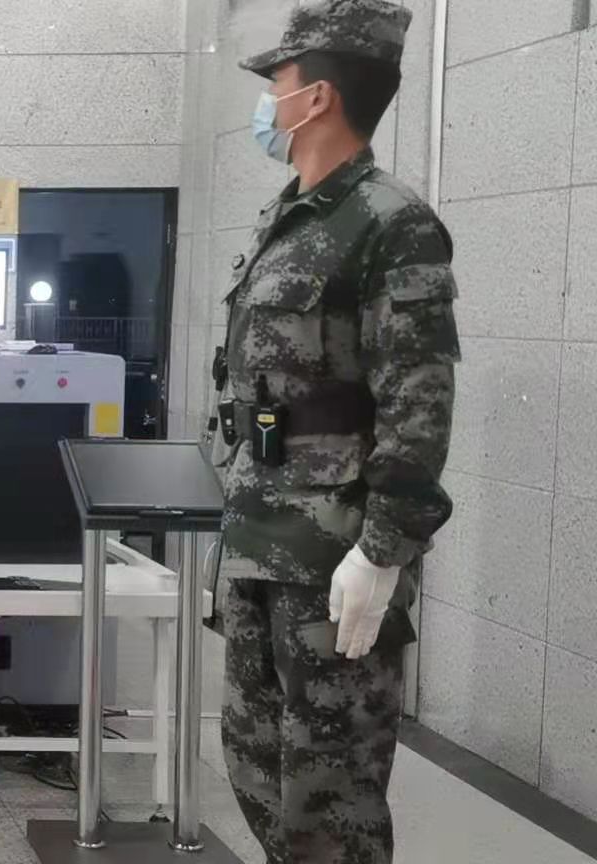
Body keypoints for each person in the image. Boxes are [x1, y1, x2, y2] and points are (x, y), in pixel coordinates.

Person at [215, 1, 459, 861]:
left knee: (331, 799)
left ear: (315, 97)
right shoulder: (289, 217)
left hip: (332, 555)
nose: (268, 101)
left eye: (278, 81)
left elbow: (419, 402)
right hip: (259, 537)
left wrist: (383, 551)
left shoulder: (391, 223)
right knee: (256, 770)